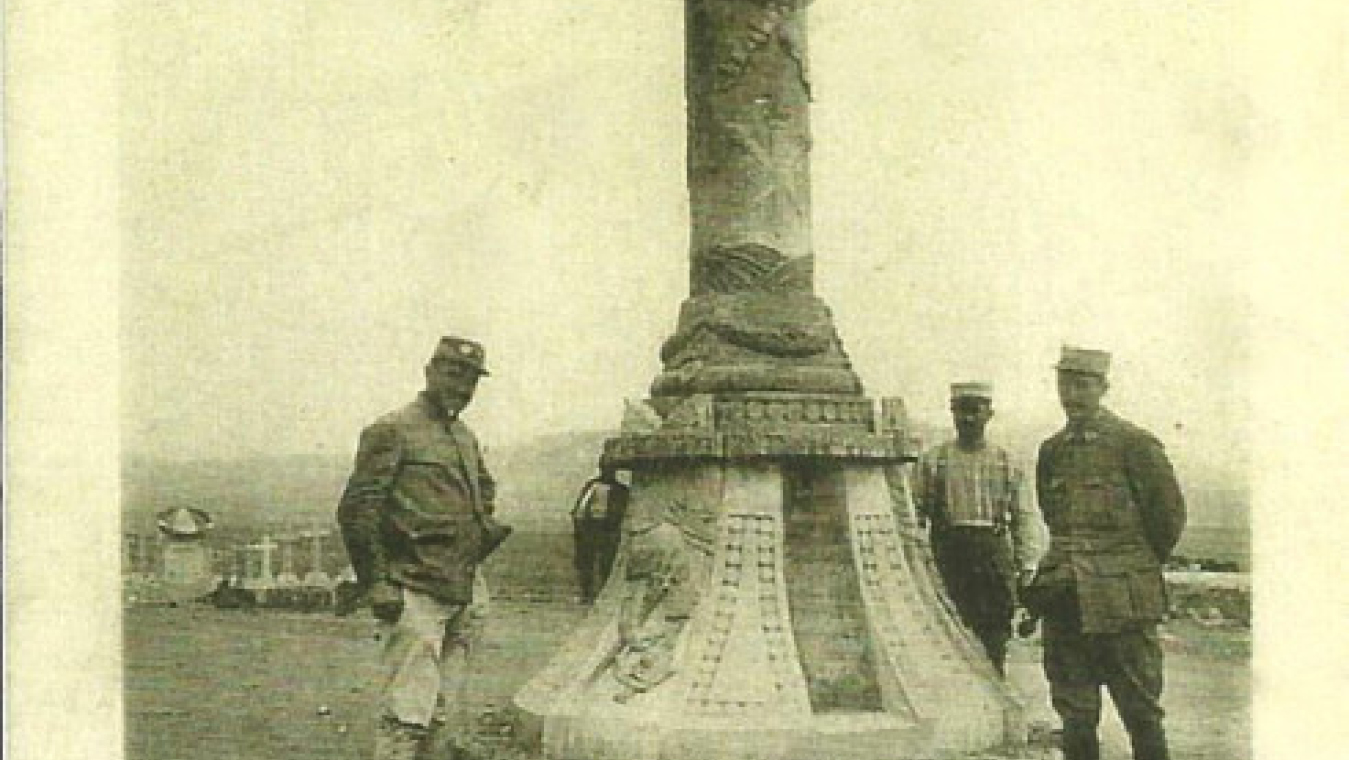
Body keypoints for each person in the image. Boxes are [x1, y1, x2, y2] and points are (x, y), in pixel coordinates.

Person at [336, 336, 500, 760]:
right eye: (452, 373)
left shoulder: (463, 435)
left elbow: (483, 488)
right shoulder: (392, 429)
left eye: (470, 379)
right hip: (414, 586)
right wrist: (376, 582)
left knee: (444, 713)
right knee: (406, 713)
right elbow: (357, 509)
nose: (462, 387)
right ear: (428, 371)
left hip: (461, 585)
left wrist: (478, 532)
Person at [1025, 346, 1186, 760]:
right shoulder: (1052, 451)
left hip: (1123, 605)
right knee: (1075, 717)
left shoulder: (1135, 445)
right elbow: (1056, 521)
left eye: (1082, 384)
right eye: (1065, 383)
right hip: (1066, 603)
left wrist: (1129, 568)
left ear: (1103, 388)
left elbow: (1168, 519)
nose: (1072, 395)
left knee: (1142, 714)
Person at [911, 382, 1046, 675]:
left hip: (991, 557)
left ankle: (994, 698)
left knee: (993, 633)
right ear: (952, 413)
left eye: (975, 411)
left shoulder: (1006, 462)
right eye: (961, 411)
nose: (968, 418)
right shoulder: (934, 461)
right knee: (946, 629)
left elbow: (1024, 517)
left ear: (989, 414)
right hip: (948, 556)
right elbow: (914, 514)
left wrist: (1027, 567)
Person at [570, 465, 630, 604]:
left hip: (606, 529)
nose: (607, 471)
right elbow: (580, 506)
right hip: (587, 527)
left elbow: (620, 512)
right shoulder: (590, 485)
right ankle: (586, 593)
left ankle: (604, 594)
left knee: (606, 562)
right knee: (584, 561)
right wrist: (578, 523)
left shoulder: (620, 490)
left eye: (609, 468)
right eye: (604, 467)